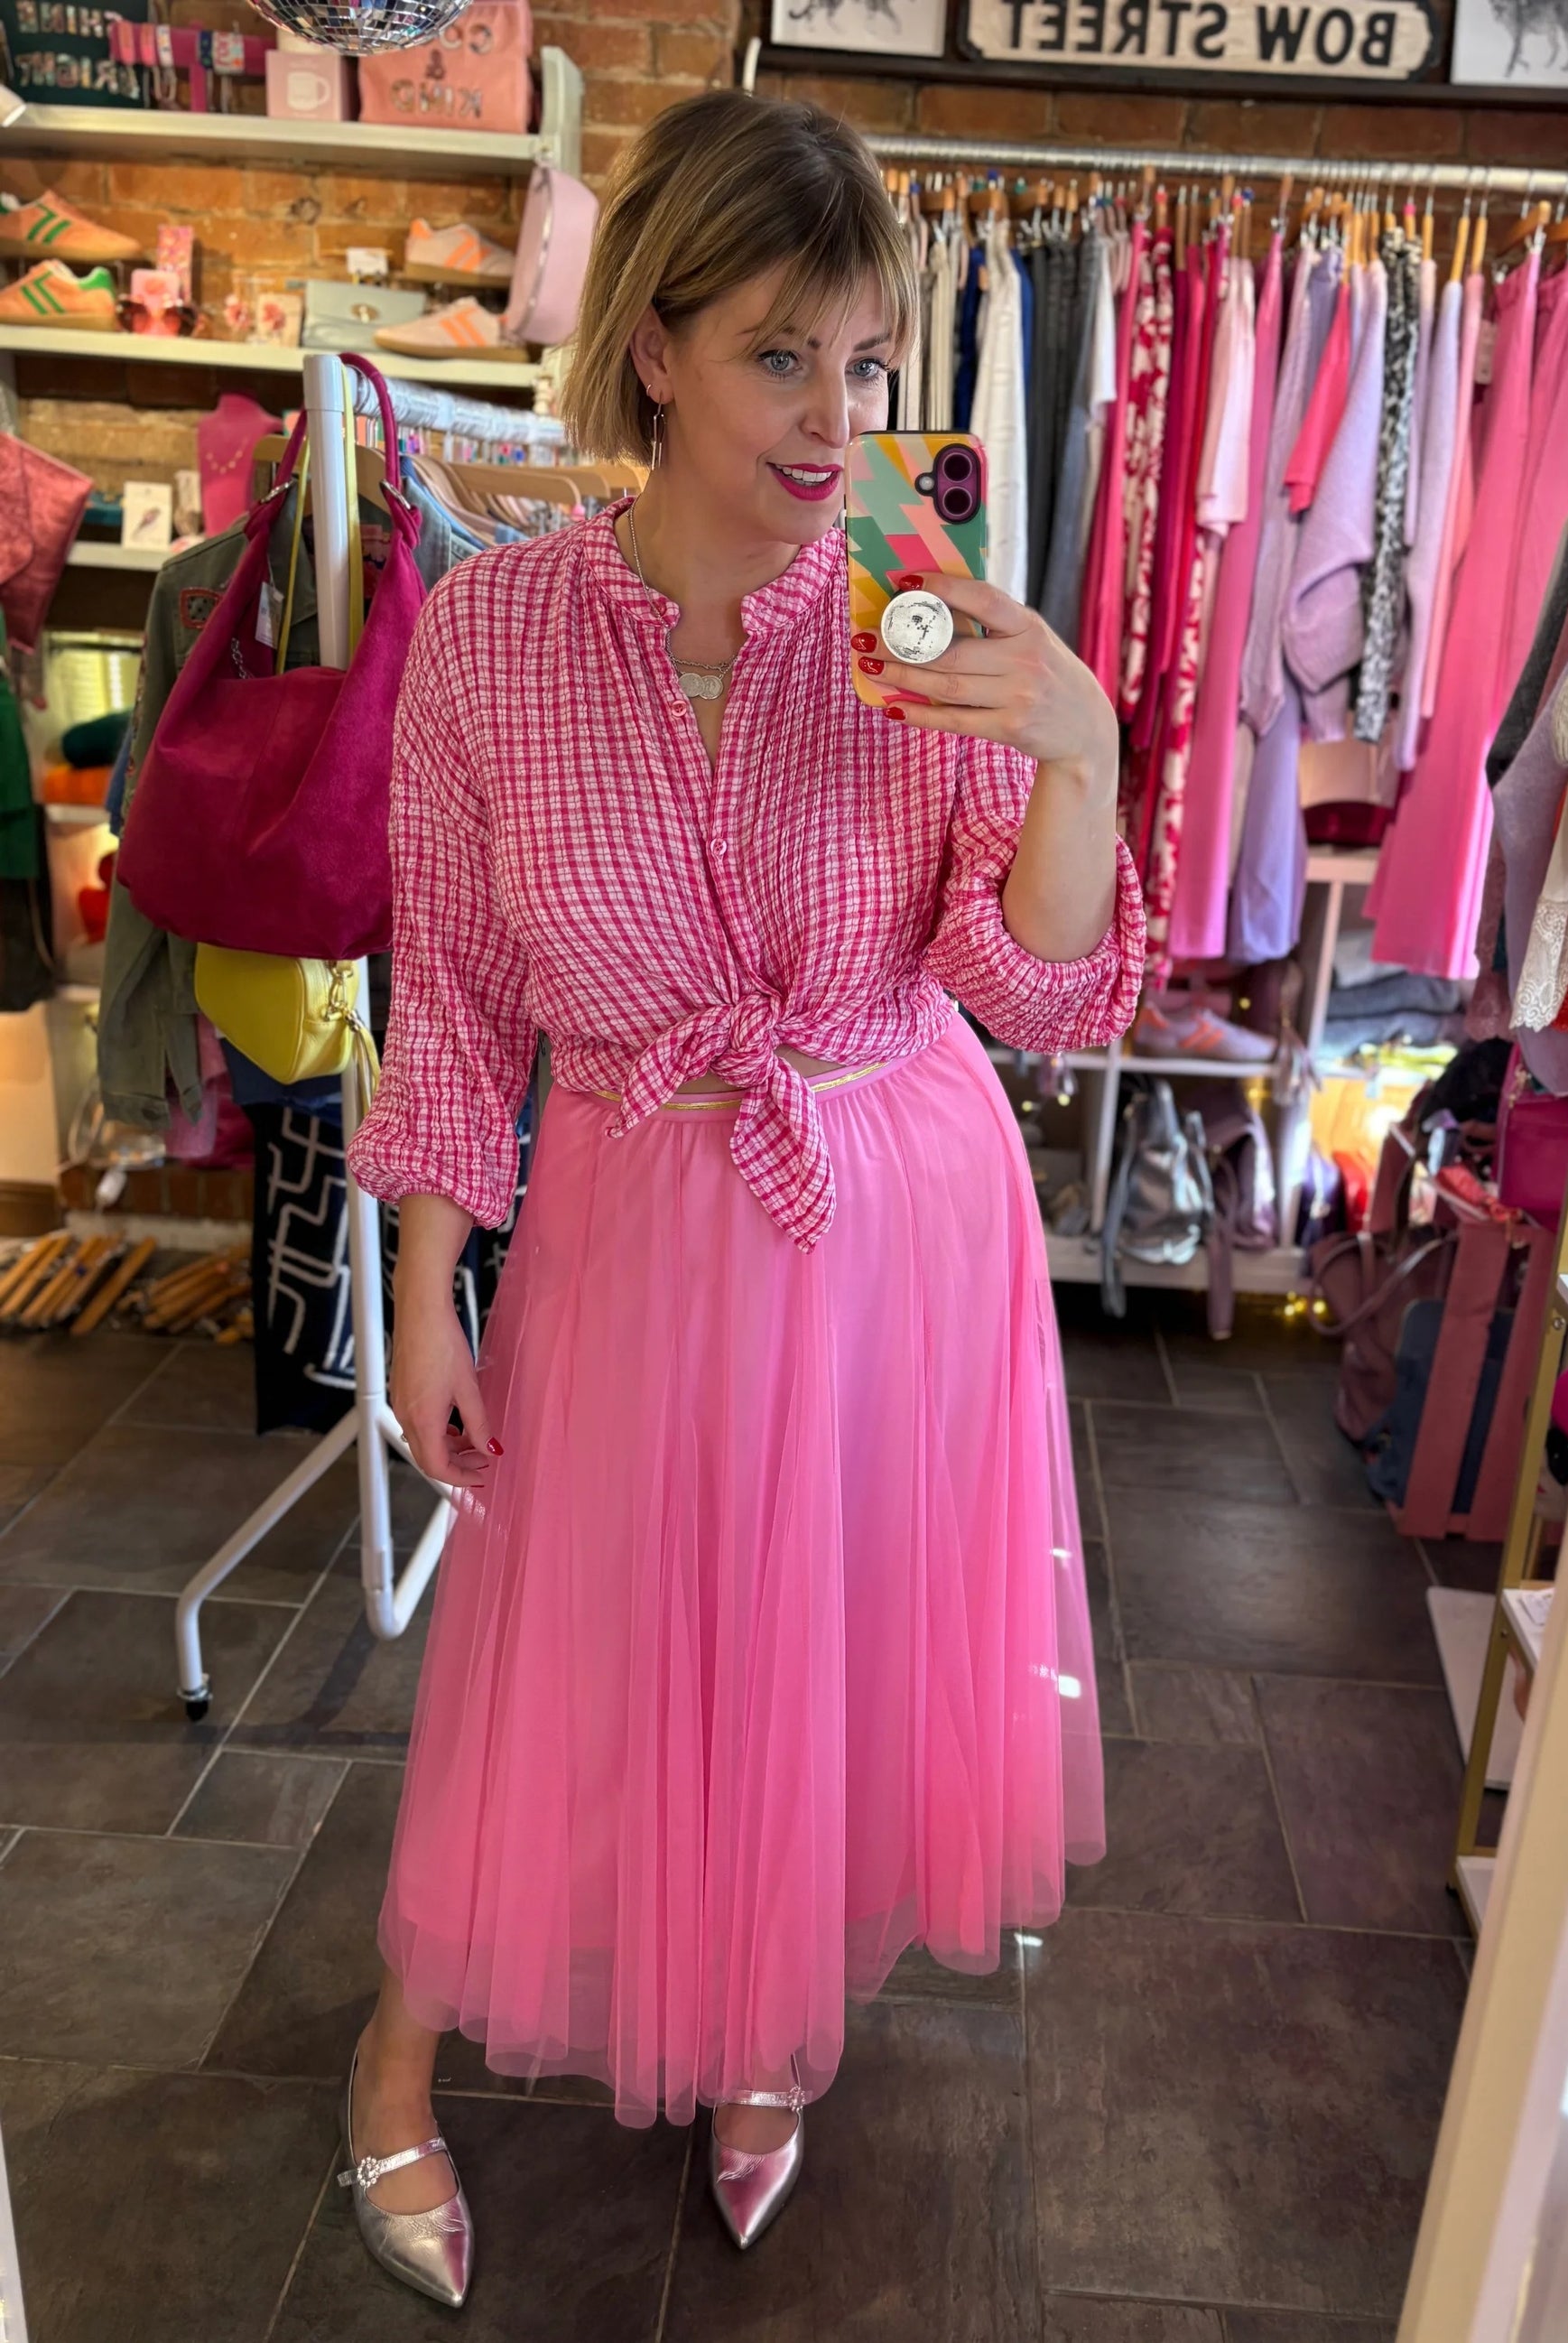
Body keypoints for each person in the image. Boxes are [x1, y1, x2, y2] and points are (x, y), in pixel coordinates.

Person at [340, 88, 1144, 2305]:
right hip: (627, 1204)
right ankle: (394, 2050)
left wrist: (1072, 747)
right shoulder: (492, 638)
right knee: (562, 1646)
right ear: (657, 344)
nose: (835, 418)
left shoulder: (916, 619)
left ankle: (771, 2023)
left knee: (825, 1640)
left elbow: (1029, 982)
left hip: (896, 1209)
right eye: (782, 355)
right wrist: (425, 1284)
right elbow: (454, 996)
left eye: (867, 363)